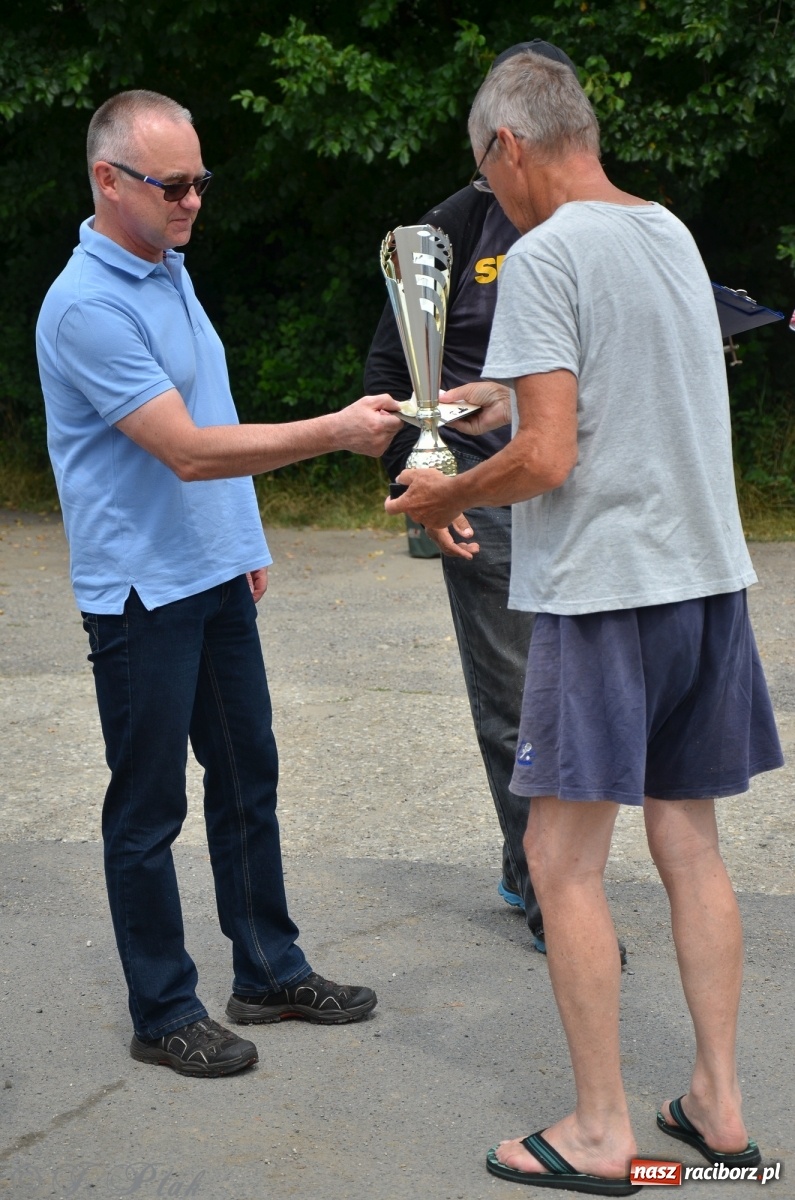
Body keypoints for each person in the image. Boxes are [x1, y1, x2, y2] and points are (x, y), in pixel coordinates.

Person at [386, 51, 783, 1194]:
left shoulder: (545, 251)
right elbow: (614, 385)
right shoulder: (667, 230)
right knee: (690, 841)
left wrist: (449, 489)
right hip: (706, 581)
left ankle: (604, 1133)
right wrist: (487, 398)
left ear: (508, 147)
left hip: (605, 593)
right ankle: (718, 1105)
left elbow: (551, 459)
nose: (487, 198)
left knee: (560, 857)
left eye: (484, 171)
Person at [36, 90, 403, 1078]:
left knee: (250, 778)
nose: (194, 198)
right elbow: (190, 451)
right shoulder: (87, 305)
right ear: (108, 181)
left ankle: (268, 972)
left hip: (212, 580)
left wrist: (244, 545)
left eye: (202, 179)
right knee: (148, 807)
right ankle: (164, 1012)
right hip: (142, 598)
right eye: (174, 184)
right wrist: (334, 431)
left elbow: (212, 405)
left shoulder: (169, 270)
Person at [366, 40, 578, 953]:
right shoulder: (445, 231)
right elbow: (391, 365)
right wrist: (422, 485)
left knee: (579, 691)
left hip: (577, 491)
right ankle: (545, 891)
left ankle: (538, 861)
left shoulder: (590, 222)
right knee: (515, 697)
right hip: (483, 495)